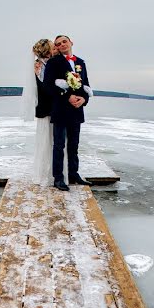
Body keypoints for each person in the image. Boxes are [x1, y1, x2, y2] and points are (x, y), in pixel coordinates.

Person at [43, 35, 92, 191]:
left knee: (74, 145)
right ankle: (58, 178)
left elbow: (86, 85)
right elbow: (48, 86)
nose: (61, 45)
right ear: (56, 48)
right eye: (58, 44)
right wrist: (68, 96)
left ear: (71, 42)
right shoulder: (53, 62)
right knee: (58, 145)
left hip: (77, 110)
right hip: (61, 109)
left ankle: (73, 175)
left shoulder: (81, 63)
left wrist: (83, 99)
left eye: (64, 41)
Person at [22, 38, 57, 184]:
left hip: (51, 106)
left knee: (54, 140)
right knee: (45, 141)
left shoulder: (48, 63)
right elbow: (45, 87)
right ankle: (45, 172)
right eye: (52, 47)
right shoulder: (39, 65)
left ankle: (55, 170)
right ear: (47, 50)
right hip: (45, 107)